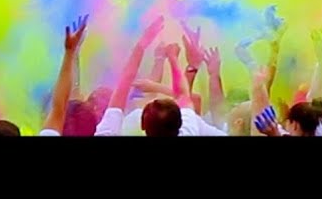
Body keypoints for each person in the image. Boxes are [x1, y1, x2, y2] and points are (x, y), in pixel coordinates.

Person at [94, 17, 225, 136]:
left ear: (142, 125)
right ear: (180, 123)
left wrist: (147, 50)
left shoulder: (125, 125)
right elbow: (186, 97)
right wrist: (175, 60)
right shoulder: (189, 130)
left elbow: (127, 81)